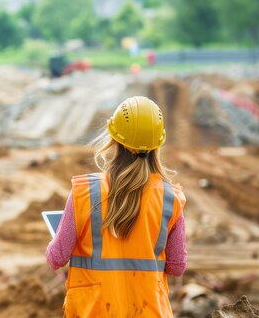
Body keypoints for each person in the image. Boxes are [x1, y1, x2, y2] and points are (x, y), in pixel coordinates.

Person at [46, 96, 187, 317]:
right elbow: (177, 266)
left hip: (94, 310)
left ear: (114, 139)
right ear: (158, 144)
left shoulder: (85, 192)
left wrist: (59, 240)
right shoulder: (171, 198)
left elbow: (56, 258)